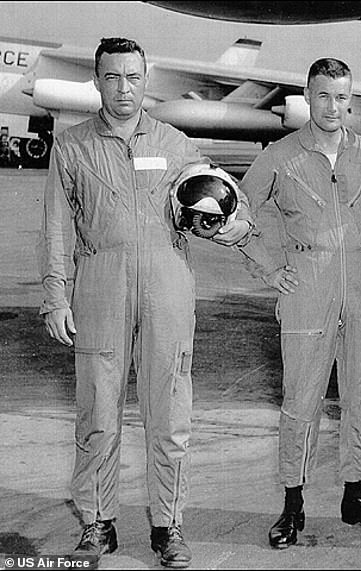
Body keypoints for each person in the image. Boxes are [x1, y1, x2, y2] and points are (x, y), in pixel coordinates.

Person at [38, 37, 252, 569]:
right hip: (101, 292)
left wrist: (229, 224)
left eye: (133, 77)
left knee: (170, 416)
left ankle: (168, 526)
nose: (123, 88)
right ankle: (96, 523)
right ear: (96, 80)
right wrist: (54, 297)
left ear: (146, 79)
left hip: (168, 294)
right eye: (112, 77)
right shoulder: (72, 147)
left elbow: (226, 200)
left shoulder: (176, 143)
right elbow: (55, 231)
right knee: (97, 414)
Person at [238, 57, 361, 549]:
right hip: (307, 285)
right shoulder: (281, 156)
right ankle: (292, 503)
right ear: (308, 96)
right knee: (300, 399)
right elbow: (237, 211)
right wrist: (267, 265)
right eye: (323, 95)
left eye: (342, 97)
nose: (333, 106)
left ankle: (357, 493)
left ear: (352, 99)